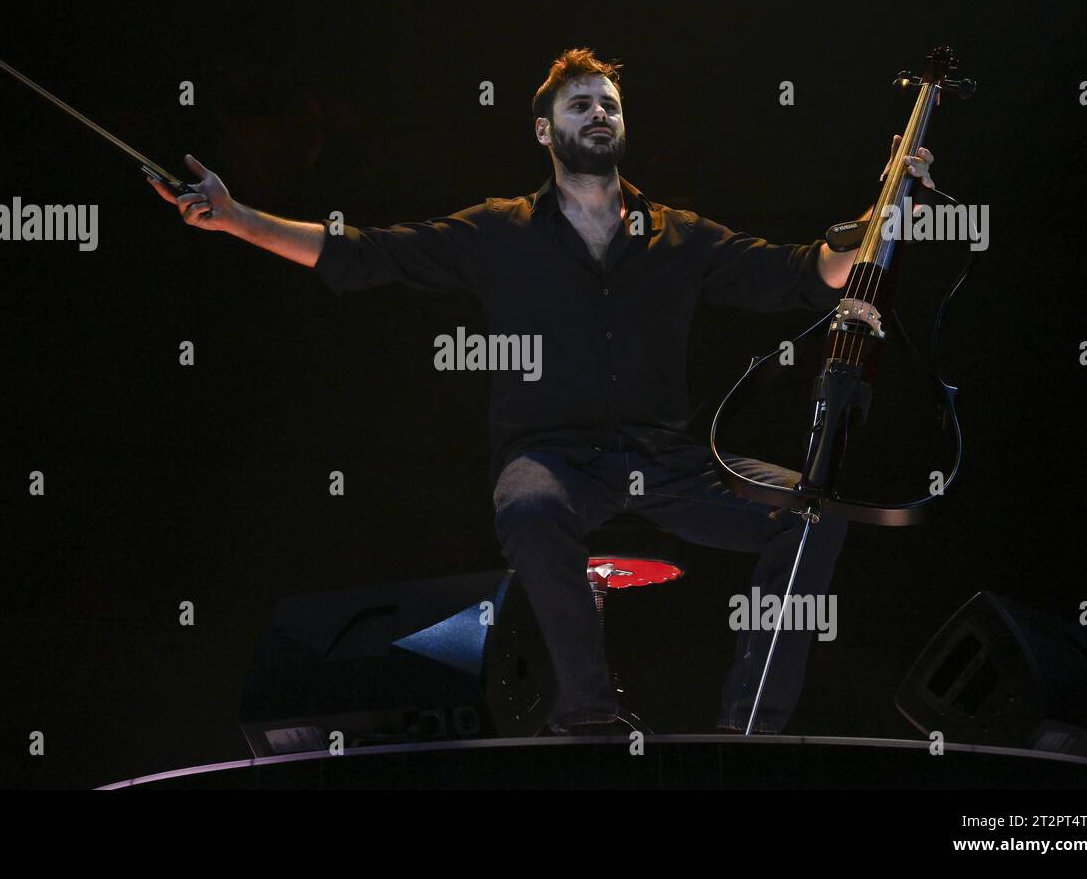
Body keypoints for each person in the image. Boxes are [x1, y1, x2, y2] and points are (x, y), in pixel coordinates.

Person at [148, 48, 937, 735]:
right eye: (579, 103)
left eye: (609, 104)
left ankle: (749, 726)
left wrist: (884, 206)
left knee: (810, 512)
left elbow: (809, 274)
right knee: (527, 508)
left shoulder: (679, 233)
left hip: (666, 459)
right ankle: (588, 710)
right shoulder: (500, 231)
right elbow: (365, 255)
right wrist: (238, 217)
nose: (598, 113)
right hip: (551, 457)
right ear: (543, 130)